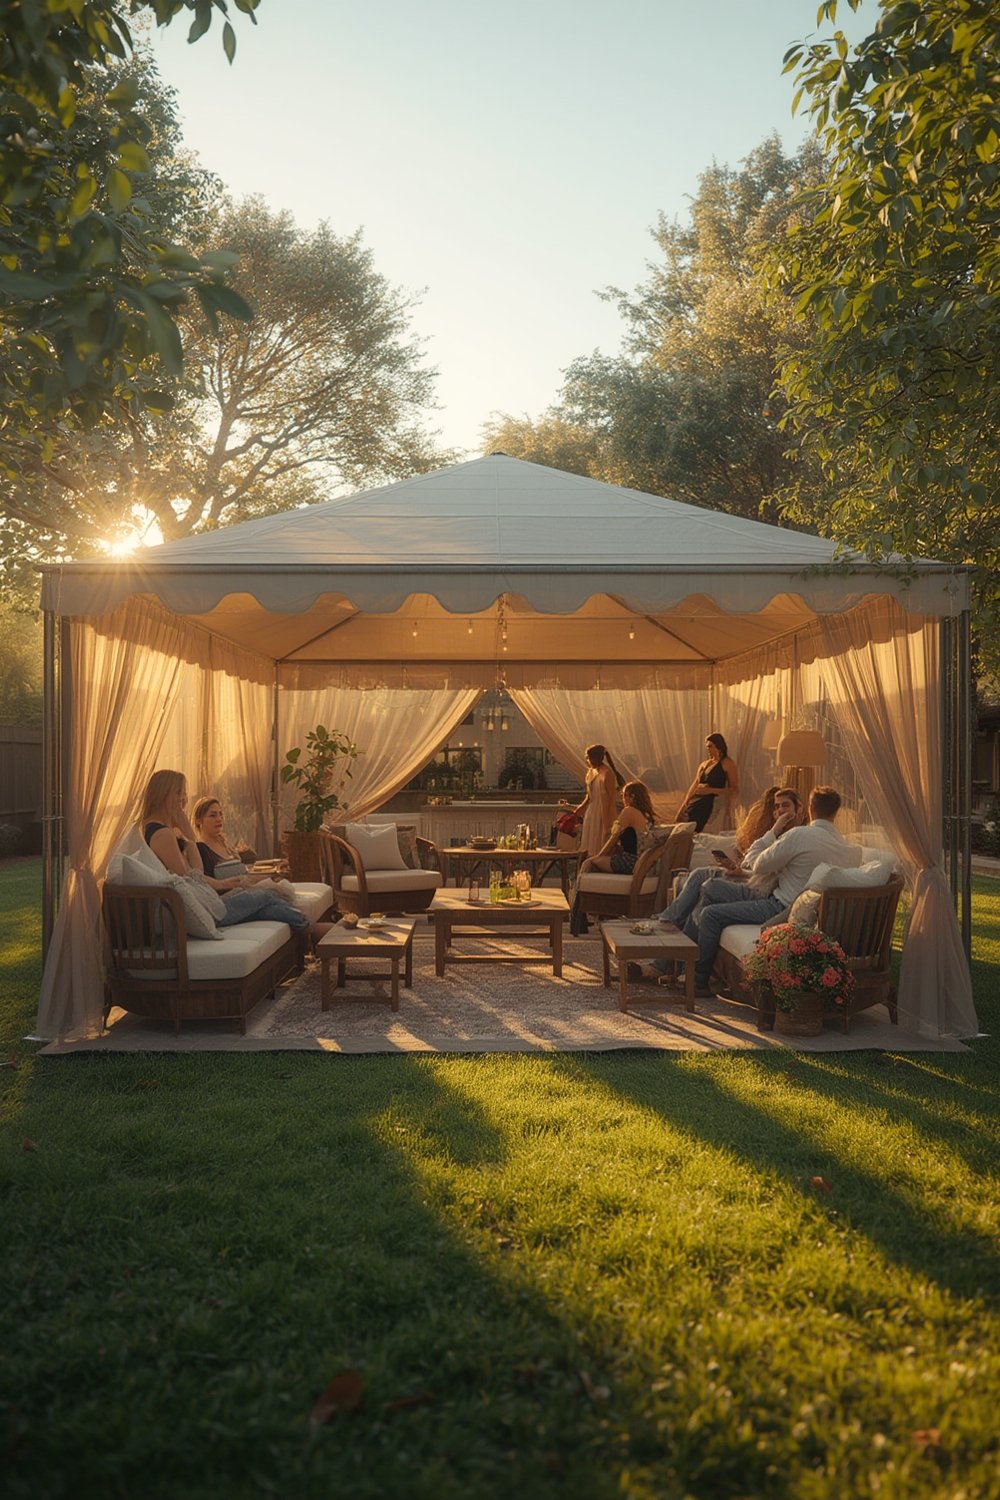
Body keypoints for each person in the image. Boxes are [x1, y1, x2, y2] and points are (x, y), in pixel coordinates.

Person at [666, 785, 855, 1000]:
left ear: (809, 808)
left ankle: (693, 978)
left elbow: (756, 864)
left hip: (780, 908)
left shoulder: (800, 835)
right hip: (803, 910)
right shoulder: (845, 848)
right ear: (836, 812)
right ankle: (682, 969)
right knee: (708, 888)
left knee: (709, 912)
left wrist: (773, 832)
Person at [140, 771, 324, 941]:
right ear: (166, 794)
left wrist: (189, 839)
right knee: (268, 895)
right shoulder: (162, 833)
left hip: (207, 904)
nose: (183, 800)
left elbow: (193, 873)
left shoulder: (157, 830)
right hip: (207, 910)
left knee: (268, 909)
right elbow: (190, 876)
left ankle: (309, 931)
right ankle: (311, 930)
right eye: (180, 794)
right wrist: (189, 836)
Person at [579, 780, 656, 877]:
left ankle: (582, 885)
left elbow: (614, 837)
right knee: (597, 860)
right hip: (643, 862)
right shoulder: (647, 815)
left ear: (632, 797)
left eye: (624, 796)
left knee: (589, 862)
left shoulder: (629, 811)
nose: (623, 800)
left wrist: (598, 856)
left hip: (630, 862)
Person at [676, 733, 739, 833]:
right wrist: (684, 806)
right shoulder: (705, 764)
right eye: (707, 747)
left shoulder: (727, 763)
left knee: (701, 832)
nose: (708, 749)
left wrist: (710, 790)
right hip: (696, 803)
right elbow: (694, 785)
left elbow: (735, 790)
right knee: (686, 830)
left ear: (718, 746)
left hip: (712, 805)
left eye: (710, 746)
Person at [570, 744, 622, 857]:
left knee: (600, 845)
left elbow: (611, 800)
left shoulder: (607, 773)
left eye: (589, 758)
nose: (588, 761)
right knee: (588, 847)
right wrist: (579, 810)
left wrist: (607, 823)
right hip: (591, 813)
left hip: (603, 813)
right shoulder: (590, 772)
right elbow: (589, 796)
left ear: (597, 758)